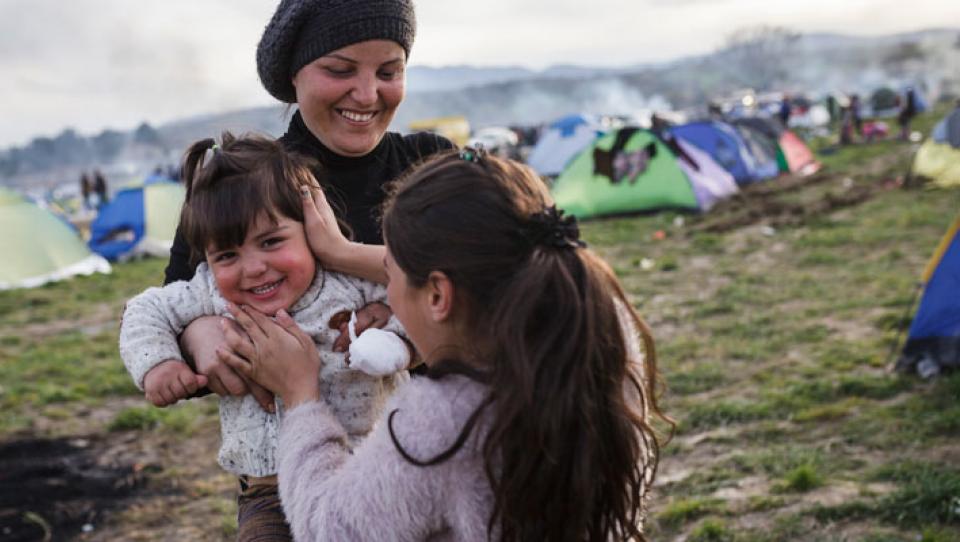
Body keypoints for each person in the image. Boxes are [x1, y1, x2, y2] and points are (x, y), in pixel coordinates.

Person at [219, 149, 671, 541]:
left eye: (389, 271)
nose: (384, 284)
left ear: (438, 296)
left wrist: (301, 395)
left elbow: (328, 529)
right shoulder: (601, 332)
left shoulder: (445, 422)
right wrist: (340, 252)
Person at [119, 133, 413, 541]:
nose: (253, 268)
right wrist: (159, 363)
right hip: (271, 488)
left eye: (271, 241)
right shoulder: (209, 293)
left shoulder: (349, 284)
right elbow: (144, 309)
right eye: (227, 255)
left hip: (376, 467)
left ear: (310, 230)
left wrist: (394, 334)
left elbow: (420, 298)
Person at [163, 0, 454, 409]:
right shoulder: (241, 185)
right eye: (340, 70)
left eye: (388, 72)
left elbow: (496, 282)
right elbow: (172, 307)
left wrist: (342, 254)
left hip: (445, 442)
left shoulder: (434, 164)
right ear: (293, 74)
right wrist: (200, 335)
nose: (368, 94)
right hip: (294, 462)